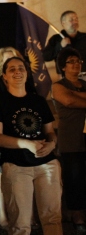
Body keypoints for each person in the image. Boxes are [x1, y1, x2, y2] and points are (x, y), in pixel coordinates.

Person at [0, 57, 62, 235]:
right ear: (4, 76)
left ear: (27, 73)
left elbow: (50, 131)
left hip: (47, 164)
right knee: (20, 223)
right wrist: (26, 144)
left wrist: (52, 144)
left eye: (21, 68)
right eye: (12, 69)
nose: (17, 72)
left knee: (52, 217)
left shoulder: (38, 101)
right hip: (16, 166)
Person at [51, 48, 86, 231]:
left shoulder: (84, 83)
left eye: (78, 60)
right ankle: (77, 217)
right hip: (71, 140)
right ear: (63, 67)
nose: (76, 64)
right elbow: (68, 101)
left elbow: (74, 99)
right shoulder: (58, 85)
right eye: (71, 61)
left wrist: (77, 95)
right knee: (74, 179)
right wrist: (75, 97)